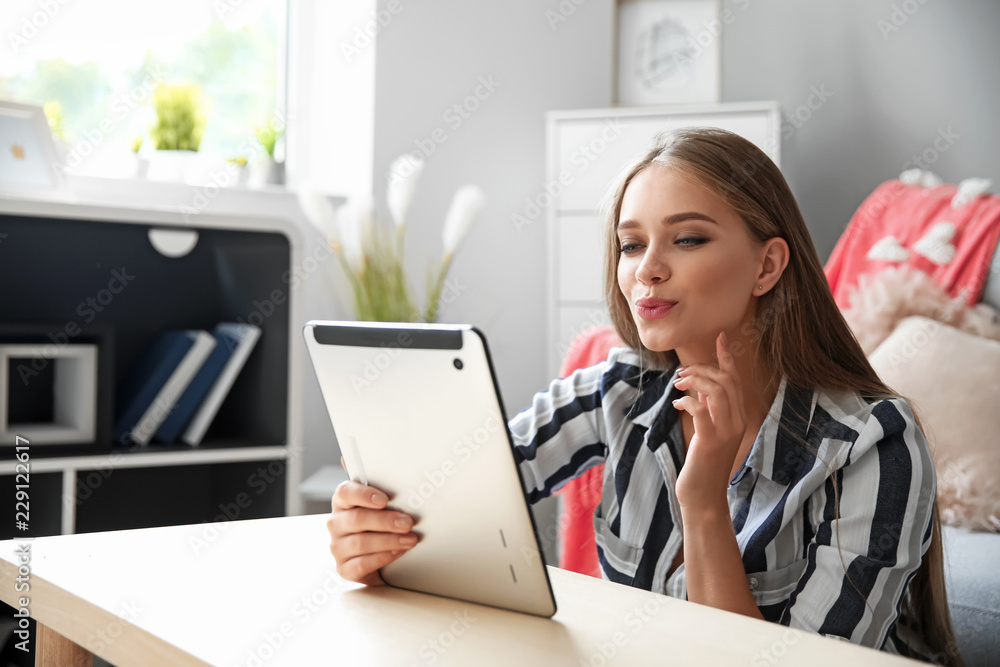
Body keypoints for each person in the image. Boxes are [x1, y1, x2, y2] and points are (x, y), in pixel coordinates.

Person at [327, 127, 962, 663]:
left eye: (687, 239)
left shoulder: (872, 443)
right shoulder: (621, 388)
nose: (646, 269)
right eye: (631, 244)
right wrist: (375, 531)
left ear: (767, 266)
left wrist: (704, 504)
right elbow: (458, 490)